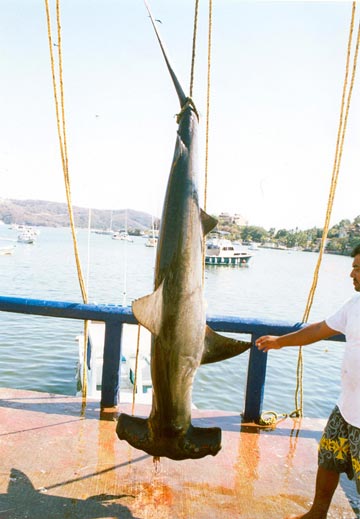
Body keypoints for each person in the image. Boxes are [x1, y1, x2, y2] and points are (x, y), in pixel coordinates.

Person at [255, 243, 360, 519]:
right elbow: (319, 330)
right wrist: (280, 342)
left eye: (358, 268)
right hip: (346, 408)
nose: (352, 274)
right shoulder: (354, 305)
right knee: (328, 459)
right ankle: (317, 513)